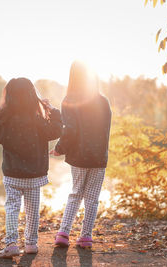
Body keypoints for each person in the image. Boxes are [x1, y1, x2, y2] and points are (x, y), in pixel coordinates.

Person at [0, 77, 62, 258]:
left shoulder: (6, 121)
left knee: (12, 207)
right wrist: (53, 110)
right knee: (32, 209)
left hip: (12, 174)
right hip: (34, 175)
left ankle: (11, 242)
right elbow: (57, 130)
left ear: (9, 98)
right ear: (32, 96)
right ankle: (31, 244)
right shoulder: (38, 121)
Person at [50, 61, 112, 248]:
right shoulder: (103, 101)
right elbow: (105, 130)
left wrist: (59, 148)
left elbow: (70, 130)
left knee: (75, 194)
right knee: (92, 199)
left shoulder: (70, 100)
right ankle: (86, 237)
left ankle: (63, 233)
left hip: (78, 157)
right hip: (99, 158)